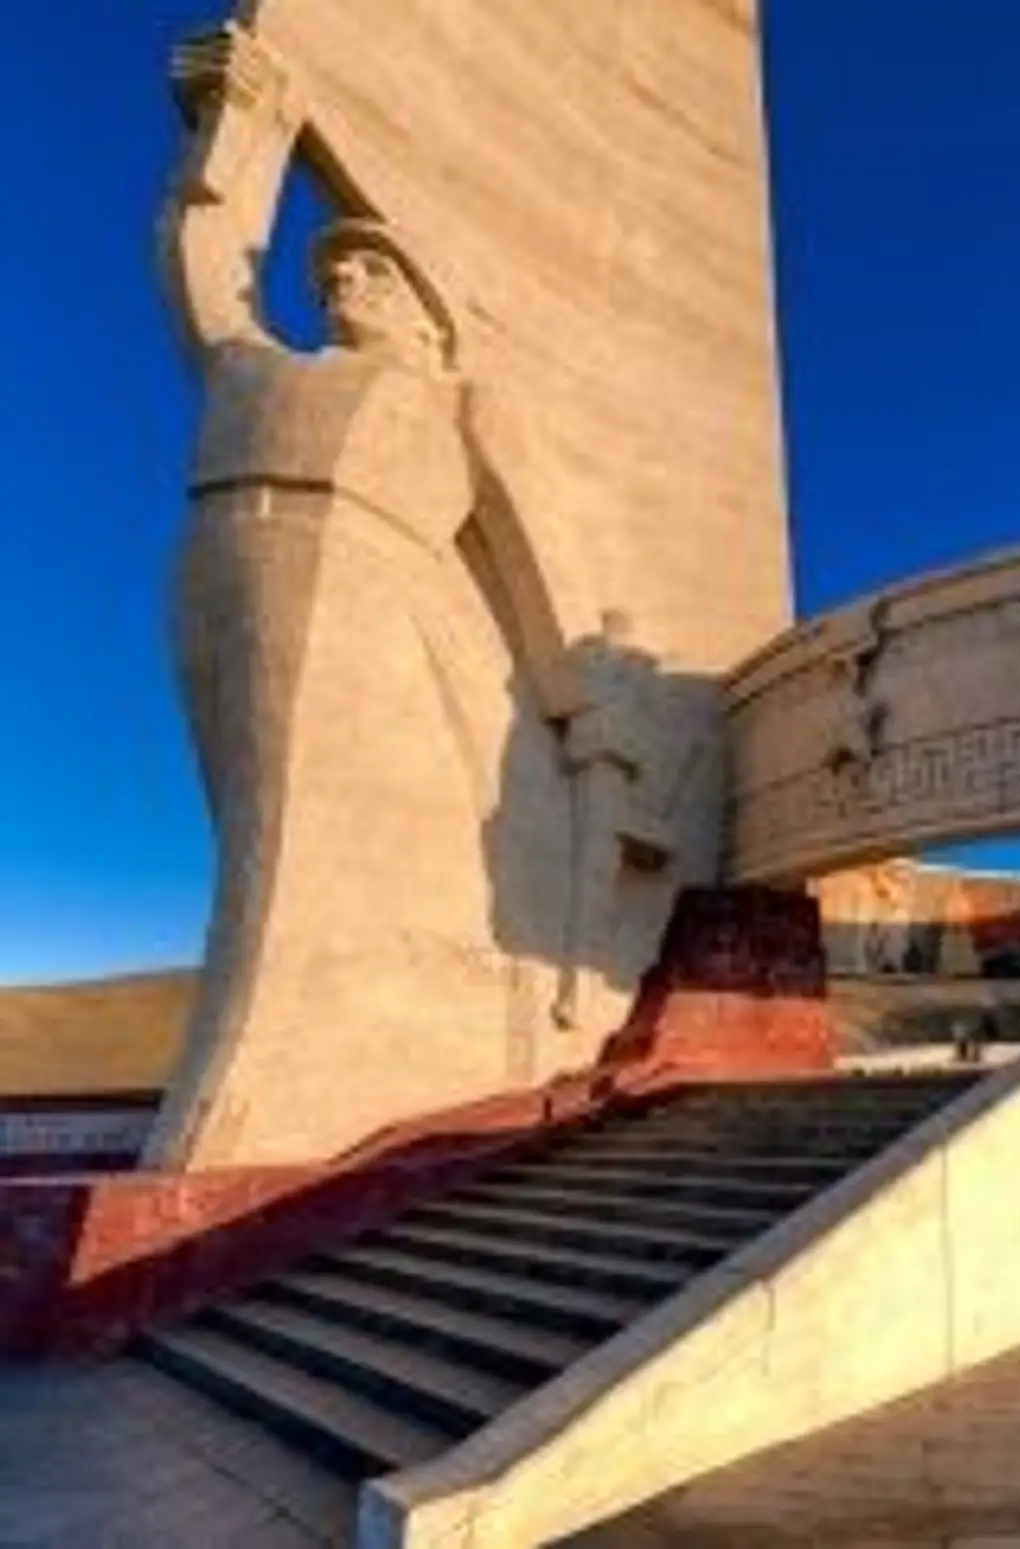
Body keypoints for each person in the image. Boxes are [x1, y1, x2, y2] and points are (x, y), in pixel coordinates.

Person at [146, 26, 624, 1168]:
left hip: (355, 572)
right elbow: (202, 272)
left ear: (426, 308)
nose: (340, 276)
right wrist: (240, 133)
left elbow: (539, 565)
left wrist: (591, 717)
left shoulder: (463, 407)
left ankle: (247, 1096)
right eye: (330, 270)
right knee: (254, 819)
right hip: (217, 558)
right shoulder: (266, 369)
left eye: (368, 268)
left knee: (290, 842)